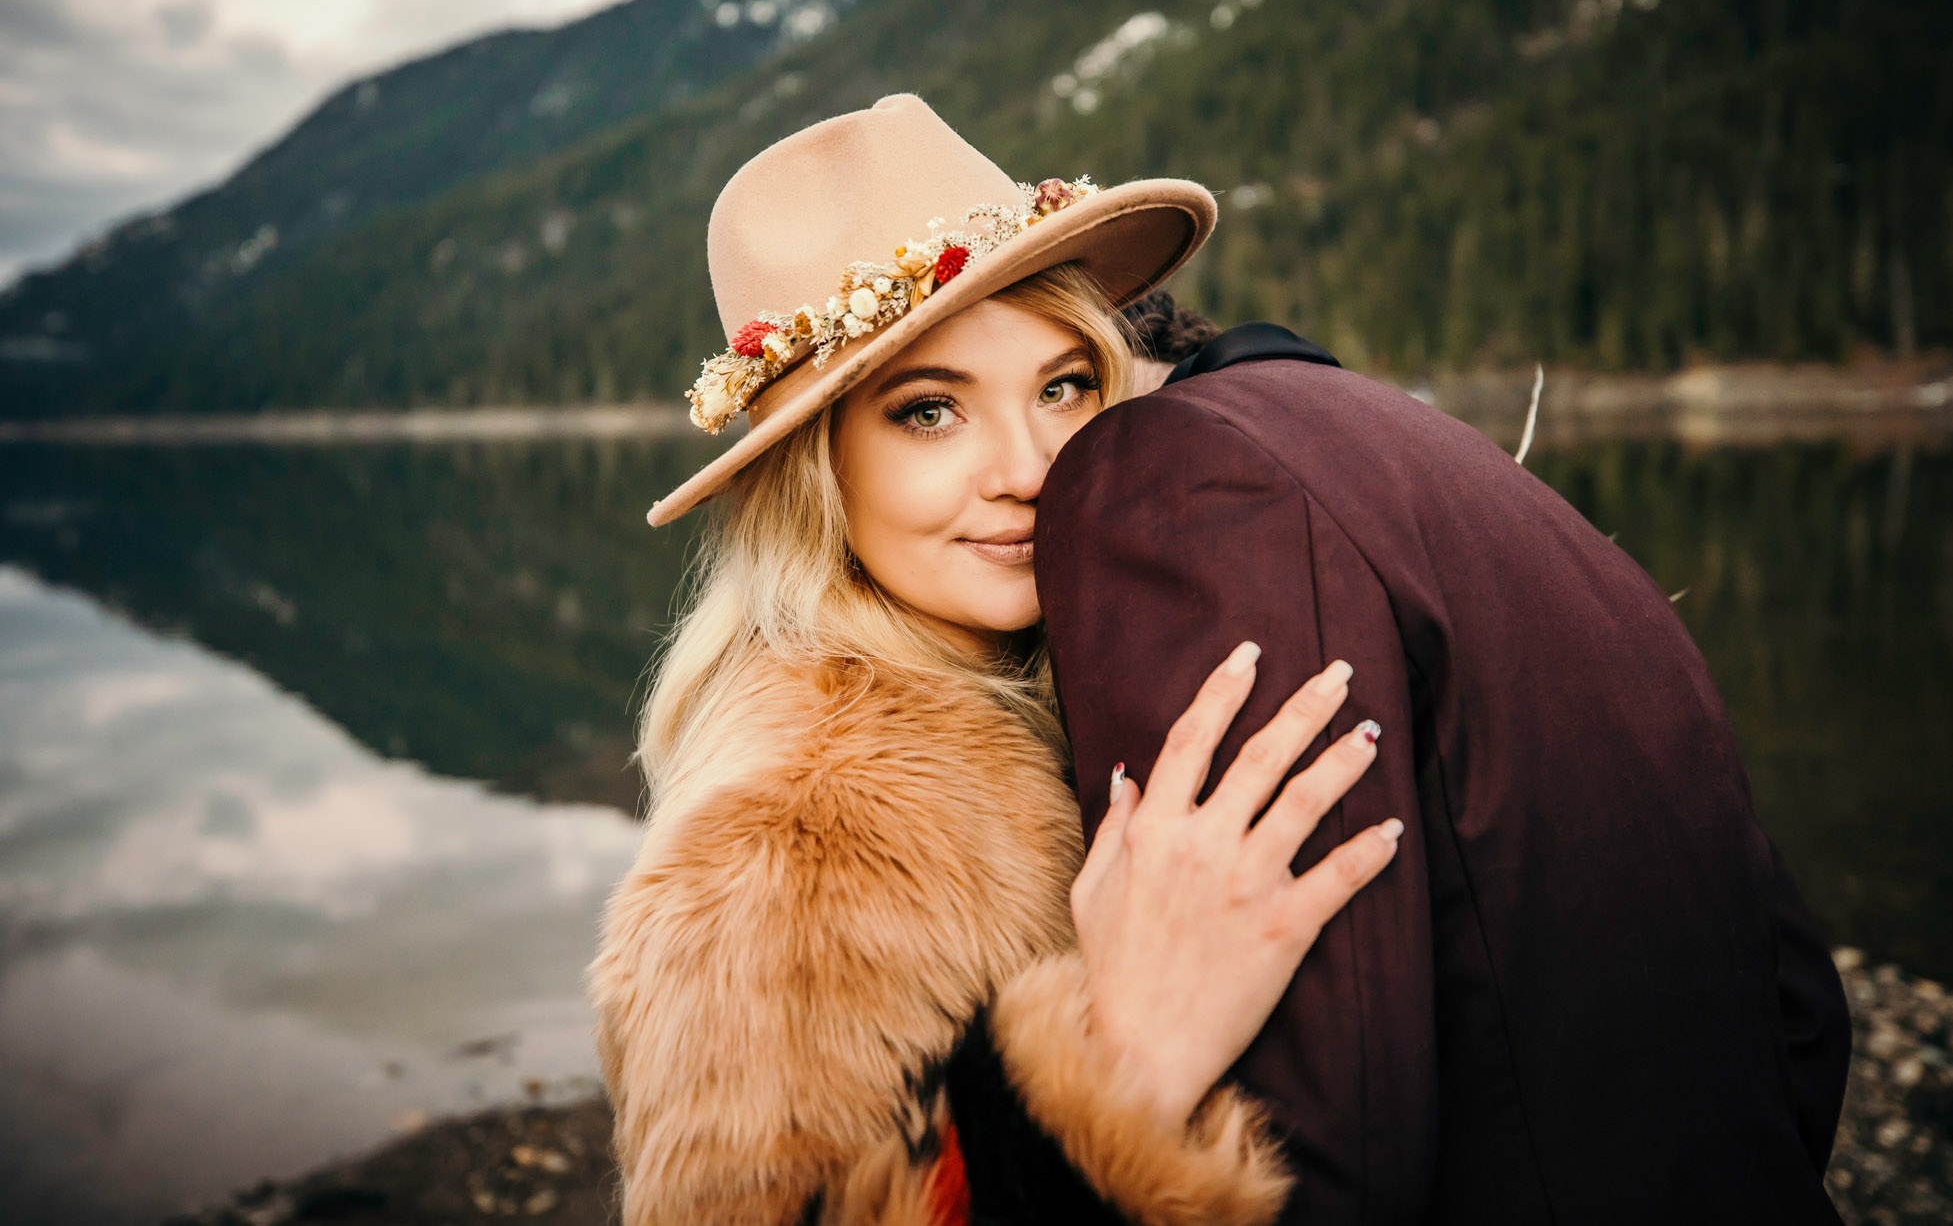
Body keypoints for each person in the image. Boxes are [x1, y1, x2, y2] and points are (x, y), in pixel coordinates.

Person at [587, 94, 1405, 1225]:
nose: (1032, 467)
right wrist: (1128, 1060)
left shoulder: (1075, 665)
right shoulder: (791, 846)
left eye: (1061, 387)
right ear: (815, 475)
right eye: (929, 411)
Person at [1039, 301, 1855, 1223]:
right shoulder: (1411, 442)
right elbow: (1803, 1010)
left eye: (1060, 389)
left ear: (1112, 354)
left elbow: (1313, 1151)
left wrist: (1126, 1069)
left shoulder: (1177, 473)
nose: (1026, 466)